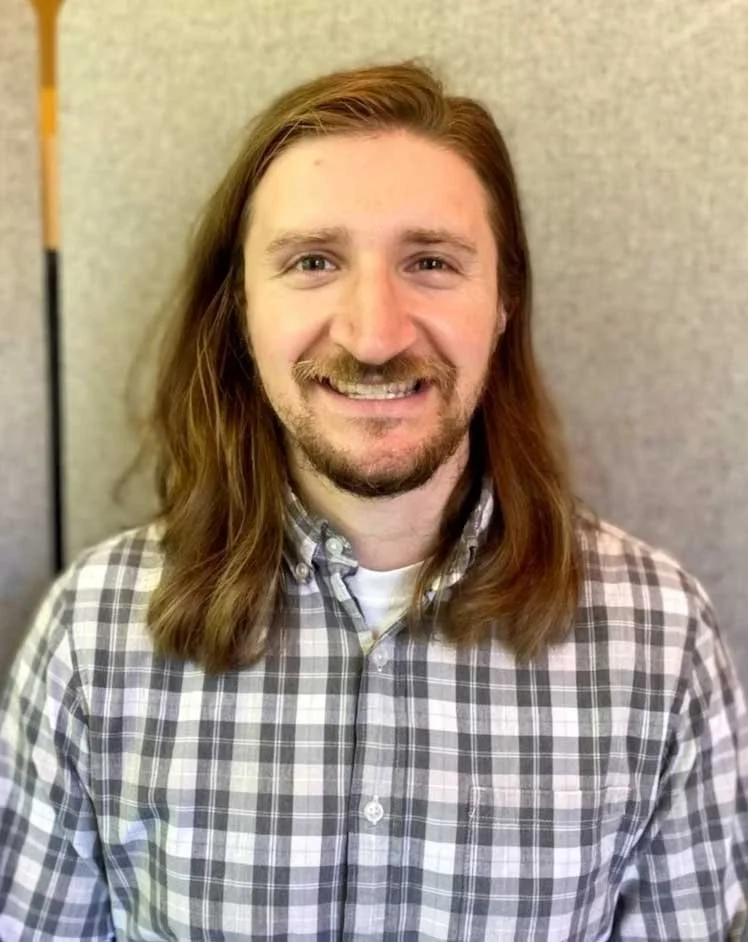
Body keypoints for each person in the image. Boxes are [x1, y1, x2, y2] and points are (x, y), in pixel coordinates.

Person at [1, 60, 746, 942]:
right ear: (240, 307)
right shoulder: (92, 638)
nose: (375, 334)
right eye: (313, 261)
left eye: (431, 261)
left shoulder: (661, 640)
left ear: (504, 301)